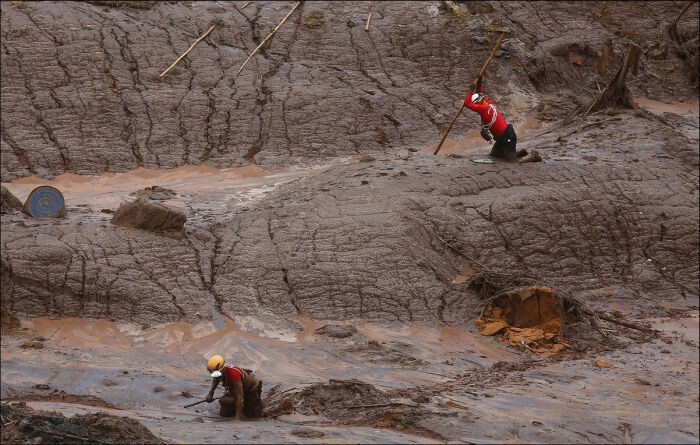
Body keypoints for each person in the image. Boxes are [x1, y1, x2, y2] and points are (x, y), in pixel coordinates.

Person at [464, 79, 518, 162]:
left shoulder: (484, 109)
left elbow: (467, 104)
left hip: (508, 136)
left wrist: (471, 91)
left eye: (475, 104)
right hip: (502, 138)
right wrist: (479, 83)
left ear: (478, 102)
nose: (475, 106)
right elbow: (480, 94)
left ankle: (531, 157)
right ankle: (518, 154)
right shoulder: (488, 103)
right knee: (495, 155)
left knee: (511, 161)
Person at [204, 355, 263, 419]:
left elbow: (239, 397)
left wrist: (237, 418)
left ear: (222, 368)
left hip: (250, 390)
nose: (215, 375)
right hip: (236, 389)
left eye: (216, 373)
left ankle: (247, 405)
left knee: (250, 416)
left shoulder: (234, 374)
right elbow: (216, 378)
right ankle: (240, 407)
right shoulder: (220, 372)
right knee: (224, 413)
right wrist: (211, 393)